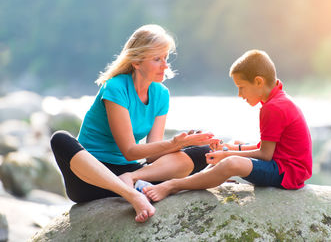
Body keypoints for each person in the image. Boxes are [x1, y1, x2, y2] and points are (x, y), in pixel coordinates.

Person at [50, 24, 217, 223]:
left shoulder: (161, 93)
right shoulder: (115, 87)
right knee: (60, 138)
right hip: (92, 178)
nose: (165, 65)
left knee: (203, 152)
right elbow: (129, 149)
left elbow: (153, 155)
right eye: (157, 59)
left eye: (165, 58)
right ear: (136, 62)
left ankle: (133, 181)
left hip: (130, 173)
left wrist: (186, 143)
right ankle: (134, 195)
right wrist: (174, 144)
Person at [143, 49, 313, 202]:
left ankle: (173, 185)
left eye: (242, 87)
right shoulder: (278, 98)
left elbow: (266, 154)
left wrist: (226, 155)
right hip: (284, 165)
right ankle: (204, 176)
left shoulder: (273, 107)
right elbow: (268, 147)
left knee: (232, 163)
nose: (239, 94)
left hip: (287, 173)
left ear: (259, 82)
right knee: (235, 144)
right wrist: (229, 148)